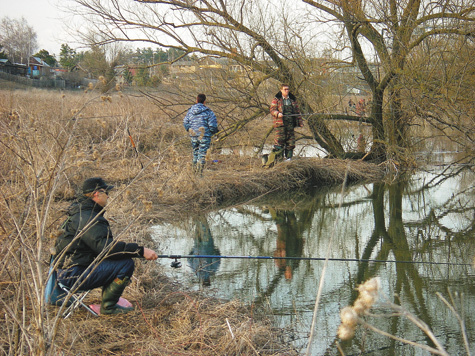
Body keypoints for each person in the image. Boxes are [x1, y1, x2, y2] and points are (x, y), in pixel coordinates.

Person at [52, 177, 158, 315]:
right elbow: (106, 248)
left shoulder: (81, 212)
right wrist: (140, 251)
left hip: (68, 271)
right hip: (73, 275)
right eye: (105, 192)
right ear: (96, 193)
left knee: (117, 260)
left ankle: (110, 301)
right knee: (125, 264)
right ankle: (108, 308)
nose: (108, 196)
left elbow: (99, 248)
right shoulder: (89, 217)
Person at [183, 94, 218, 175]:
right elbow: (212, 126)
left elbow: (185, 122)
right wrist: (212, 132)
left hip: (193, 136)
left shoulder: (190, 111)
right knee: (202, 155)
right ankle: (199, 175)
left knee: (195, 154)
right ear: (204, 102)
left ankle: (194, 173)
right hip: (204, 136)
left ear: (196, 100)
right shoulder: (208, 112)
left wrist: (190, 130)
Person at [269, 84, 303, 160]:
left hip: (290, 124)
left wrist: (300, 121)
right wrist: (277, 114)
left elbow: (297, 112)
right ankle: (278, 159)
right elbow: (272, 110)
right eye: (285, 89)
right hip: (280, 124)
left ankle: (289, 159)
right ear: (281, 90)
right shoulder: (276, 99)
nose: (287, 91)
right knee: (279, 142)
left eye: (288, 89)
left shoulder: (292, 100)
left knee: (290, 142)